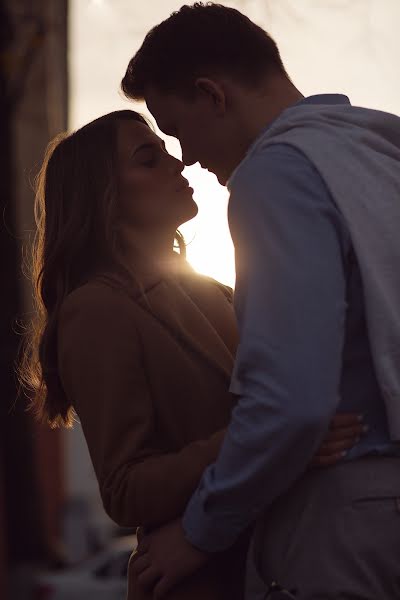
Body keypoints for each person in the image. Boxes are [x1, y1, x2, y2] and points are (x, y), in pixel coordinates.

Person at [18, 109, 363, 600]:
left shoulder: (219, 292)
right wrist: (269, 437)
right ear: (105, 198)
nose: (178, 164)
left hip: (284, 562)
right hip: (199, 581)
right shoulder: (97, 309)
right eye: (148, 159)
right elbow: (125, 490)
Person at [121, 3, 400, 599]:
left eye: (179, 132)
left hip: (345, 522)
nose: (188, 158)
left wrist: (199, 531)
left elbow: (290, 402)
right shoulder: (379, 151)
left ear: (212, 95)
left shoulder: (276, 174)